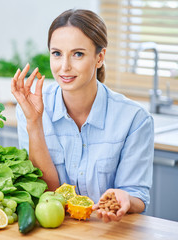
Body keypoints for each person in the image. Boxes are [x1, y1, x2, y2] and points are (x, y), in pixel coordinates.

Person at [11, 9, 154, 223]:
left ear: (100, 57)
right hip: (57, 230)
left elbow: (137, 196)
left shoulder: (134, 119)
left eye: (78, 54)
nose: (64, 67)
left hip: (108, 231)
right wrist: (34, 123)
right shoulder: (31, 107)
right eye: (57, 53)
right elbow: (46, 194)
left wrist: (125, 197)